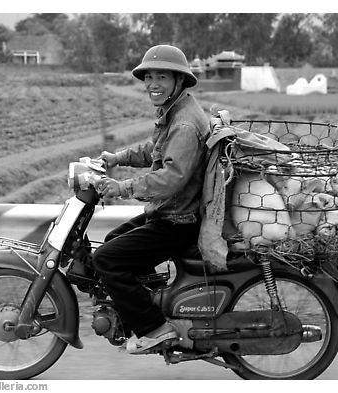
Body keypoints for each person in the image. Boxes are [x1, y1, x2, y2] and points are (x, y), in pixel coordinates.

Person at [93, 44, 210, 354]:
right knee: (111, 241)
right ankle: (152, 305)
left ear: (179, 81)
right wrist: (116, 157)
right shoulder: (176, 111)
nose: (153, 84)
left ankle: (154, 327)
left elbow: (170, 178)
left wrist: (121, 188)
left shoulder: (184, 123)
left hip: (177, 220)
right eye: (149, 77)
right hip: (171, 212)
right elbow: (155, 150)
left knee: (106, 259)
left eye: (162, 77)